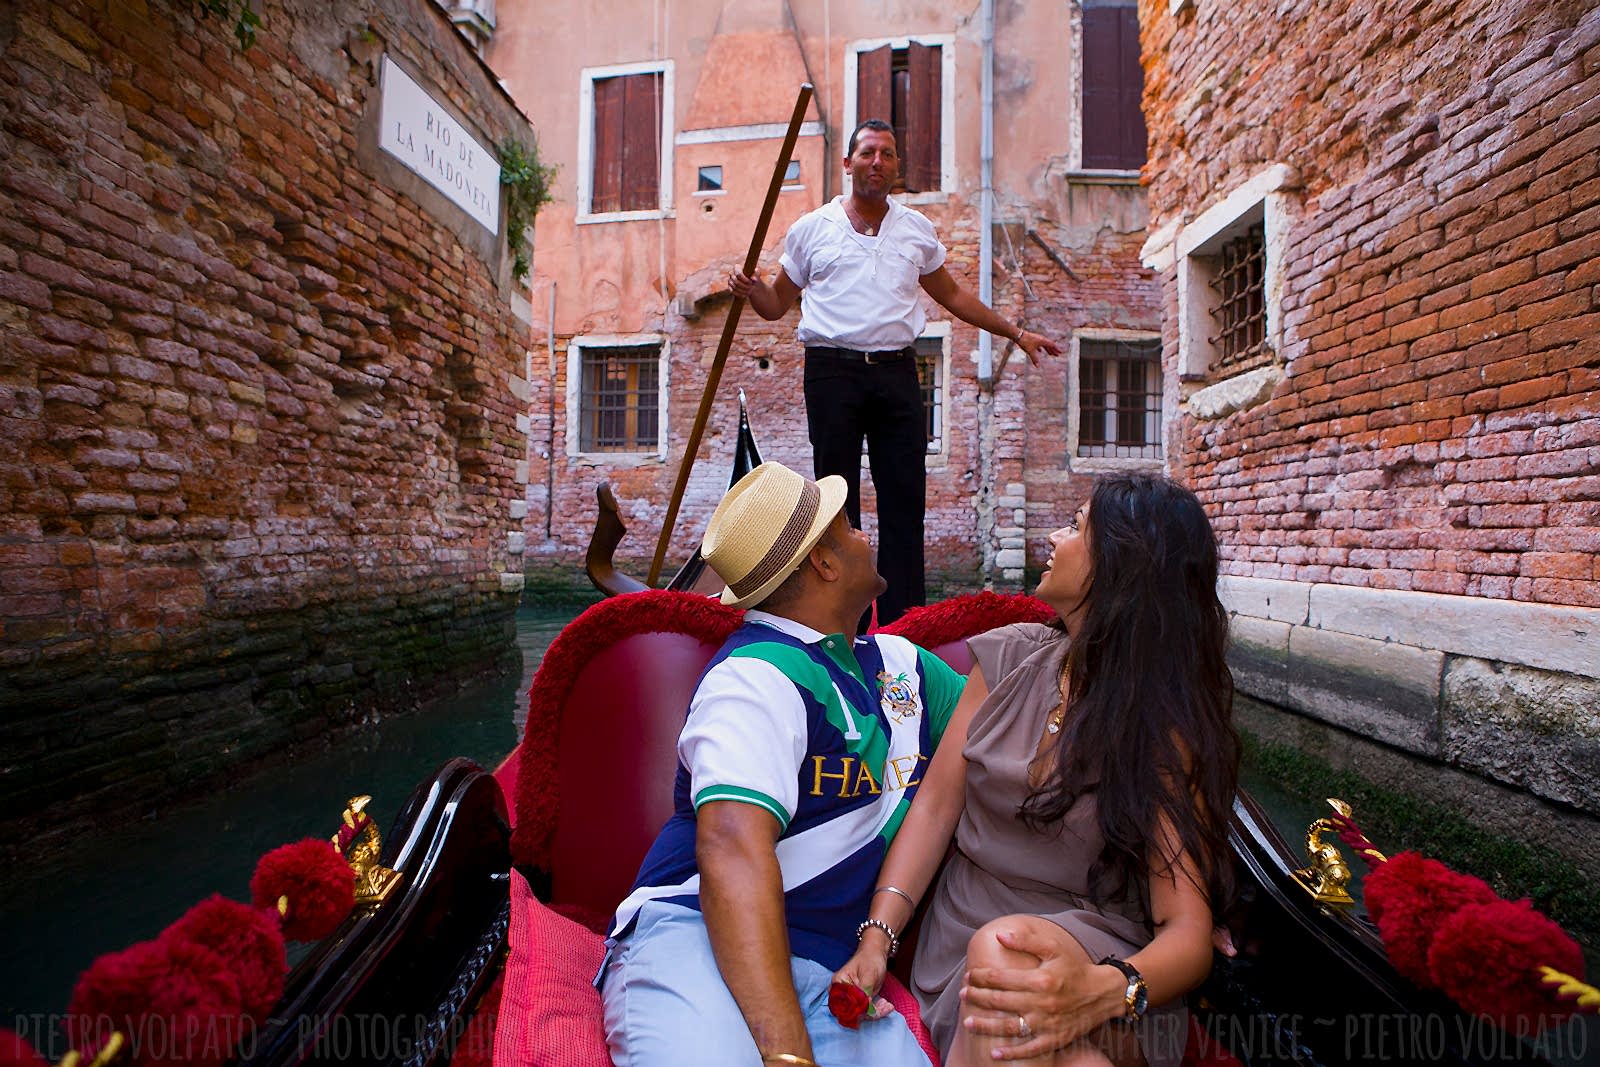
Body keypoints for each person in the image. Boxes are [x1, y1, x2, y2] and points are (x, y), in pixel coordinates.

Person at [833, 474, 1240, 1067]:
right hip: (963, 940)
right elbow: (934, 810)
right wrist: (877, 942)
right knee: (1058, 1038)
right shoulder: (1008, 658)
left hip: (1104, 960)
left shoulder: (1160, 725)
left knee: (1004, 957)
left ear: (1121, 568)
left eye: (1076, 527)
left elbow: (1185, 931)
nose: (1053, 536)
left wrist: (1103, 990)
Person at [600, 461, 968, 1067]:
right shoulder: (754, 678)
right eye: (850, 530)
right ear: (823, 562)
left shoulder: (903, 665)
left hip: (830, 971)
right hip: (692, 937)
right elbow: (732, 848)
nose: (864, 539)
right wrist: (789, 1055)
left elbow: (1009, 726)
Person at [730, 119, 1060, 626]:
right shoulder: (811, 230)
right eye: (867, 153)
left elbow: (952, 296)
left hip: (897, 375)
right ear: (848, 163)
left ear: (897, 167)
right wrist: (751, 289)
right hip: (831, 375)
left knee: (905, 502)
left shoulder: (916, 230)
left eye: (886, 154)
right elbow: (775, 305)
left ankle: (910, 626)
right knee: (837, 509)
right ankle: (846, 621)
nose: (877, 162)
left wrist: (1015, 333)